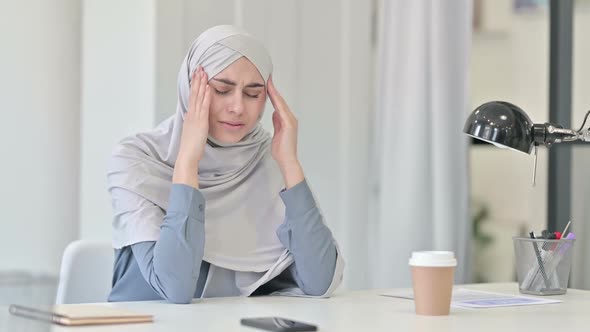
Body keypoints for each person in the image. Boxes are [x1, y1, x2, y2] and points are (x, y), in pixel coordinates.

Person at [106, 25, 344, 304]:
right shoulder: (137, 160)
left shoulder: (269, 159)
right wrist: (187, 162)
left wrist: (290, 164)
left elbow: (320, 281)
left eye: (253, 94)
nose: (238, 108)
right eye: (222, 90)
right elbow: (176, 288)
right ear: (189, 89)